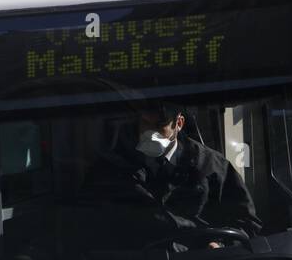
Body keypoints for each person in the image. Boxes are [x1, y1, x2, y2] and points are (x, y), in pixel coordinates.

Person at [85, 103, 261, 240]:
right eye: (145, 123)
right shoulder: (113, 167)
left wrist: (220, 244)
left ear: (179, 123)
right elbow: (93, 225)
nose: (150, 133)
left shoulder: (212, 166)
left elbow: (246, 223)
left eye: (160, 125)